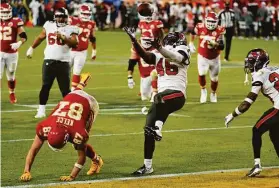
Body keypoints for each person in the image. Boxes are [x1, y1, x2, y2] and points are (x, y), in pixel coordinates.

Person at [124, 27, 191, 175]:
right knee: (148, 129)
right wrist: (134, 41)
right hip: (161, 100)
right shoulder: (159, 53)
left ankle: (158, 129)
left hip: (177, 95)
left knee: (159, 97)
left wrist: (159, 48)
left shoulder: (183, 52)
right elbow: (146, 57)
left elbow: (176, 57)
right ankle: (147, 166)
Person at [19, 73, 103, 182]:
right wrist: (26, 171)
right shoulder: (45, 127)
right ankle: (82, 82)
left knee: (79, 145)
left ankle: (97, 160)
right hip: (71, 97)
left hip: (89, 104)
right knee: (76, 93)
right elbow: (33, 150)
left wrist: (71, 176)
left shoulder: (77, 133)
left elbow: (81, 158)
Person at [225, 48, 279, 177]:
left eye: (251, 62)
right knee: (274, 133)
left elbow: (248, 102)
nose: (248, 65)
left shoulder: (259, 74)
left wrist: (233, 115)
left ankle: (257, 165)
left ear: (258, 62)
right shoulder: (275, 68)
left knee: (256, 130)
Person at [26, 8, 79, 118]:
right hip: (49, 60)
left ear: (66, 17)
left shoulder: (71, 28)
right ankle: (41, 110)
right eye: (59, 16)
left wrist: (64, 38)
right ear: (55, 16)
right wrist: (31, 48)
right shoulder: (49, 25)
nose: (61, 19)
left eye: (63, 17)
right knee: (45, 86)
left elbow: (75, 43)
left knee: (65, 90)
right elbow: (41, 37)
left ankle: (67, 112)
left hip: (63, 62)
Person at [127, 3, 164, 101]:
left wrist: (161, 45)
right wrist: (129, 77)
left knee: (157, 68)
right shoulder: (141, 24)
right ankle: (149, 90)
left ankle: (157, 90)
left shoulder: (157, 23)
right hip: (144, 69)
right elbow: (132, 61)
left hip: (155, 47)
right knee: (144, 96)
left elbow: (161, 35)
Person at [189, 12, 225, 103]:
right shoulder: (199, 26)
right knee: (201, 73)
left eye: (213, 22)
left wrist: (215, 44)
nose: (211, 23)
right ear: (205, 20)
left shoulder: (220, 30)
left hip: (215, 57)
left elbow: (222, 46)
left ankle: (213, 93)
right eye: (209, 21)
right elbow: (192, 32)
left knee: (214, 78)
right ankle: (203, 90)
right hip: (202, 56)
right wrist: (191, 42)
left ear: (217, 22)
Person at [0, 2, 27, 104]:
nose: (6, 14)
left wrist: (19, 43)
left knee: (11, 75)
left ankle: (12, 93)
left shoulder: (16, 21)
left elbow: (24, 36)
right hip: (0, 52)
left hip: (12, 53)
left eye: (8, 12)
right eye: (4, 12)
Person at [69, 4, 96, 90]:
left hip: (81, 52)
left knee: (76, 72)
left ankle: (73, 91)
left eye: (88, 14)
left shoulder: (91, 24)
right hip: (70, 50)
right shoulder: (72, 20)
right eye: (84, 14)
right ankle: (83, 80)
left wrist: (94, 51)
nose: (86, 16)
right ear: (80, 13)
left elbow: (92, 38)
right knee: (63, 71)